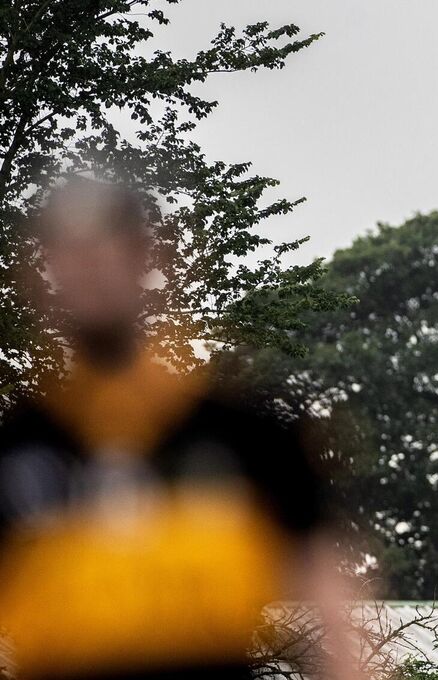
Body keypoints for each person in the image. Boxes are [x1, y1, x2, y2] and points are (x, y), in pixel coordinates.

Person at [0, 178, 360, 680]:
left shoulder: (244, 431)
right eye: (71, 256)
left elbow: (325, 585)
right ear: (41, 276)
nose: (91, 273)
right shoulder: (16, 448)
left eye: (106, 251)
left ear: (146, 260)